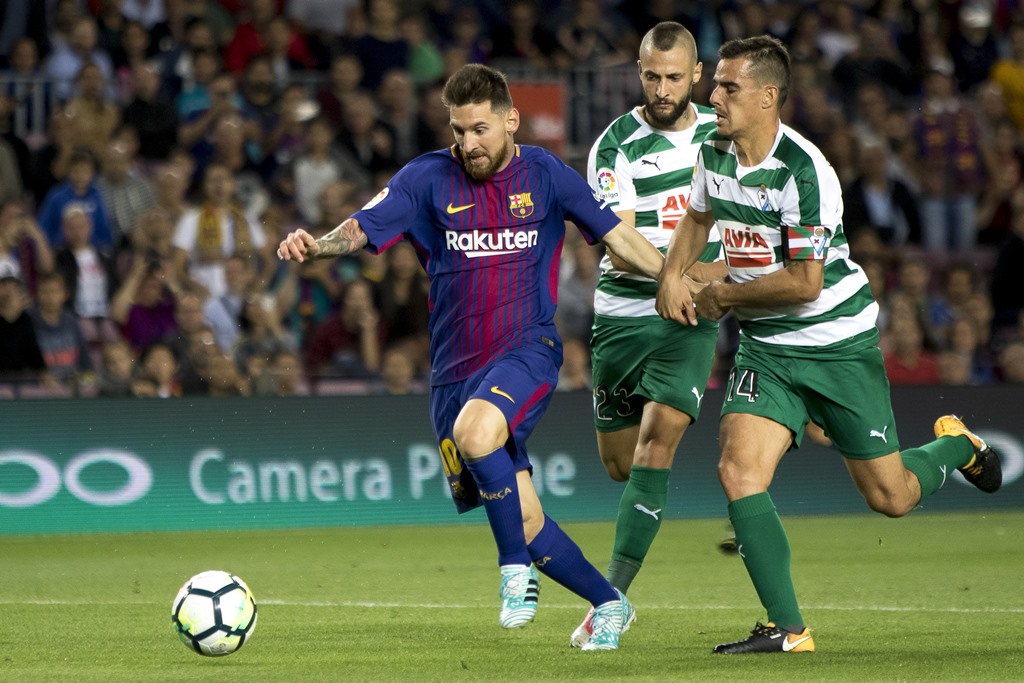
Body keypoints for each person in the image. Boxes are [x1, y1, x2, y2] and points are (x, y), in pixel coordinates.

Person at [278, 63, 667, 651]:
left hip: (528, 349)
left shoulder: (547, 175)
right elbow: (361, 227)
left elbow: (618, 236)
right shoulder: (426, 178)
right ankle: (609, 605)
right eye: (458, 130)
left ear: (511, 120)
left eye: (480, 129)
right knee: (527, 517)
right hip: (452, 374)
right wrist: (318, 247)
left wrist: (677, 281)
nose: (468, 143)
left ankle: (513, 574)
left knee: (478, 431)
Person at [654, 35, 1002, 655]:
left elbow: (804, 282)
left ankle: (955, 445)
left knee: (889, 497)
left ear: (768, 96)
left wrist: (723, 295)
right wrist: (670, 276)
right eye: (716, 86)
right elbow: (699, 220)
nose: (714, 95)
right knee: (737, 469)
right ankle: (788, 629)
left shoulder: (806, 171)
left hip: (835, 343)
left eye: (728, 87)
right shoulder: (714, 148)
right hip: (767, 347)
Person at [570, 21, 727, 649]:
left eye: (673, 77)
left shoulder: (724, 138)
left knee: (655, 450)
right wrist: (676, 274)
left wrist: (707, 281)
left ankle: (609, 605)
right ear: (639, 73)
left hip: (688, 320)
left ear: (697, 75)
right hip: (623, 317)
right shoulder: (616, 146)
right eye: (650, 76)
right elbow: (620, 236)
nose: (661, 89)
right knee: (619, 464)